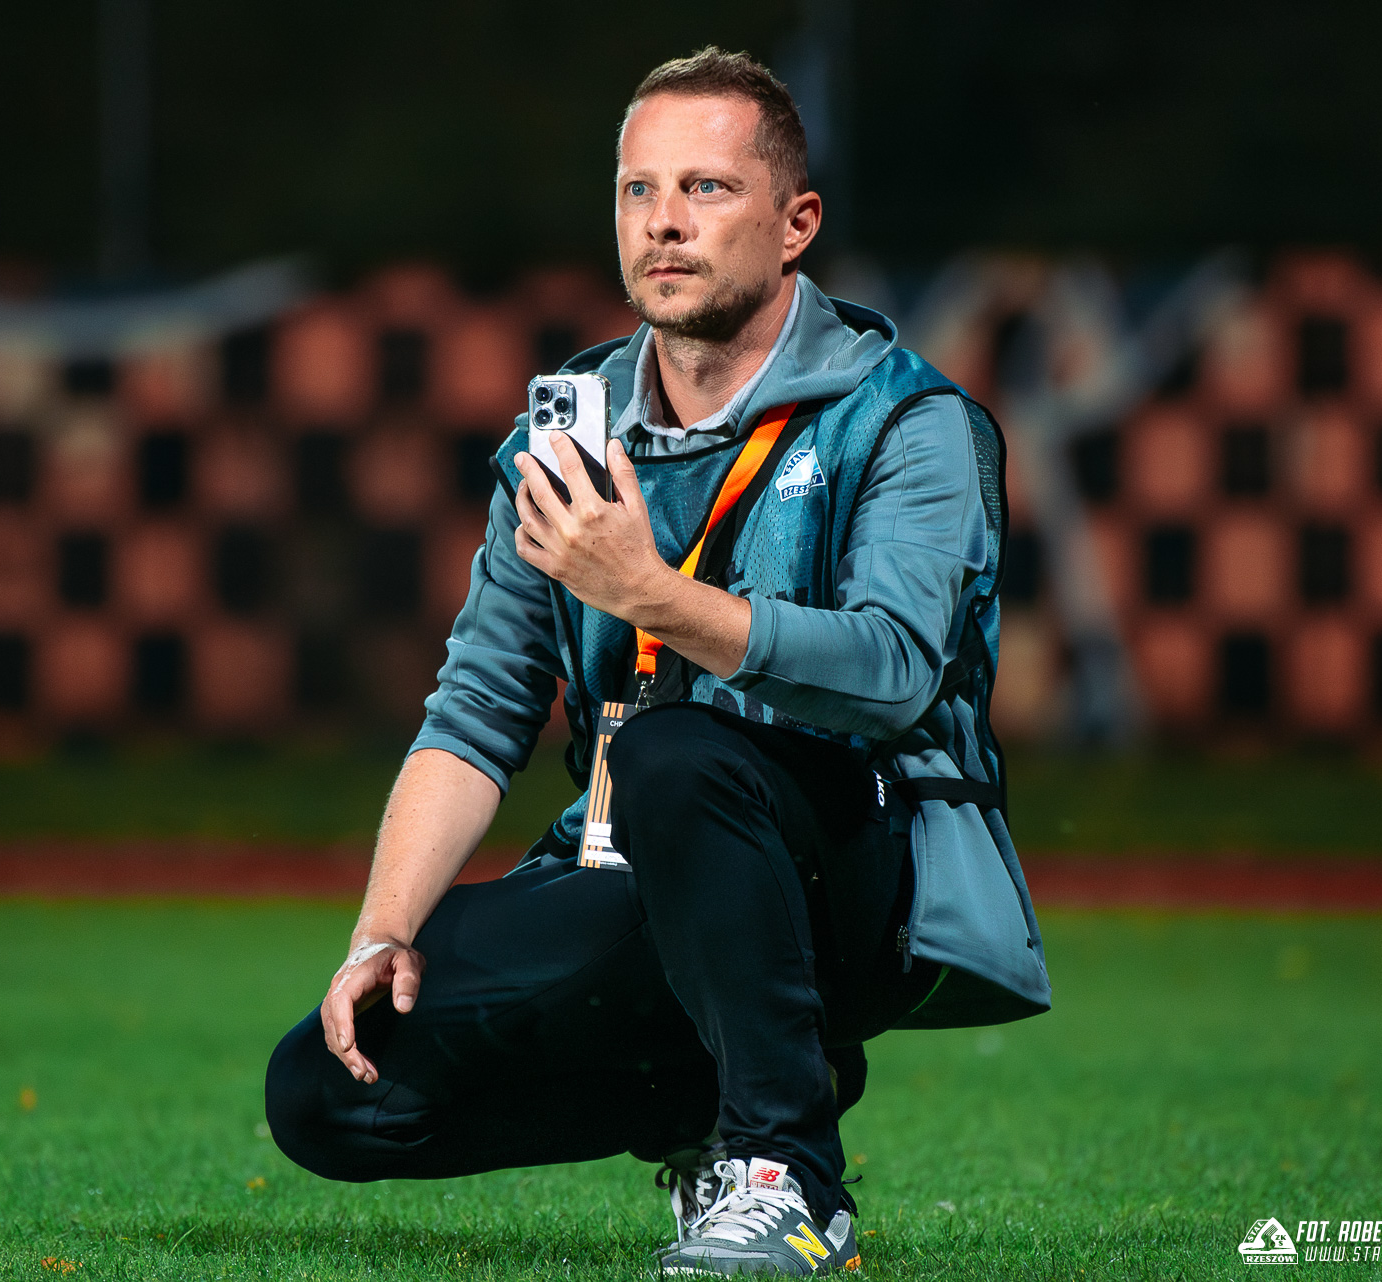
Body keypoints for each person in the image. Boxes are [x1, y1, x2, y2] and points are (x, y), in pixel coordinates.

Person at [265, 46, 1050, 1277]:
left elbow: (895, 670)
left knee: (680, 752)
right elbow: (476, 712)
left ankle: (788, 1175)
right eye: (639, 190)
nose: (664, 222)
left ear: (796, 225)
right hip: (632, 859)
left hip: (857, 872)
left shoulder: (909, 420)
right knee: (329, 1086)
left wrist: (649, 596)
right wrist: (382, 932)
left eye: (707, 189)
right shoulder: (569, 431)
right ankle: (709, 1102)